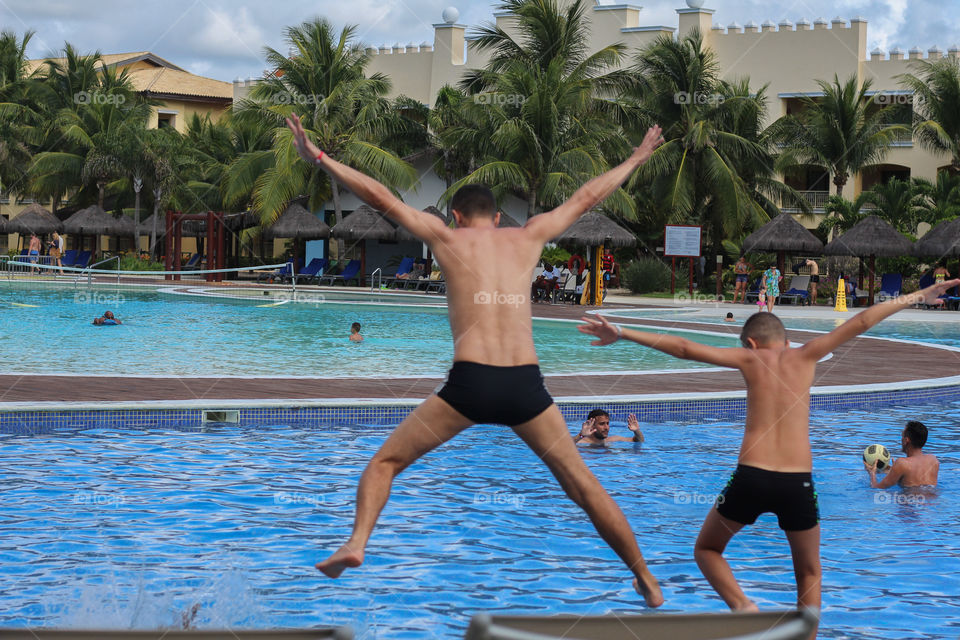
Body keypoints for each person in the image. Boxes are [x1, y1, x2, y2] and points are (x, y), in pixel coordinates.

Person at [286, 113, 666, 606]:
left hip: (469, 384)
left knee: (384, 463)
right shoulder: (529, 235)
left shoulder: (445, 237)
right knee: (584, 487)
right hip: (525, 385)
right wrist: (637, 156)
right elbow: (587, 197)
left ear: (457, 218)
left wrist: (317, 155)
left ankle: (357, 544)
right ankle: (645, 578)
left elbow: (380, 195)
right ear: (498, 218)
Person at [578, 276, 958, 626]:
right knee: (809, 573)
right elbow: (860, 322)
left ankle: (742, 606)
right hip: (798, 483)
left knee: (707, 550)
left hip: (751, 477)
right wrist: (918, 296)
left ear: (751, 344)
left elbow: (684, 347)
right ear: (786, 341)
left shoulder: (750, 358)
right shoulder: (807, 355)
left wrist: (622, 331)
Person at [865, 421, 939, 488]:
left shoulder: (902, 463)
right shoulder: (933, 460)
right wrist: (894, 471)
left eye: (902, 436)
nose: (901, 439)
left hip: (909, 501)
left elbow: (876, 487)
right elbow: (916, 480)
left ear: (906, 441)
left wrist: (872, 474)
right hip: (932, 501)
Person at [574, 409, 644, 445]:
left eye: (607, 423)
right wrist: (581, 435)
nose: (606, 427)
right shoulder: (582, 443)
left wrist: (636, 431)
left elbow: (639, 440)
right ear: (591, 426)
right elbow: (565, 446)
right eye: (602, 424)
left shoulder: (612, 440)